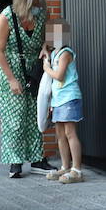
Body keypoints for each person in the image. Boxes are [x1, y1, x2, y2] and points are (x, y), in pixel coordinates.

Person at [0, 0, 52, 177]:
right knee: (15, 117)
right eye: (33, 4)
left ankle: (37, 158)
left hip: (34, 69)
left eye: (38, 3)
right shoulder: (7, 16)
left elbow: (54, 36)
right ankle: (15, 161)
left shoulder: (42, 14)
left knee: (36, 112)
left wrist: (46, 46)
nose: (37, 7)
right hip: (11, 68)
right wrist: (11, 79)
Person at [41, 19, 84, 184]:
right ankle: (65, 166)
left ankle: (77, 169)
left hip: (69, 97)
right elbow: (46, 49)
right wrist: (45, 50)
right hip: (58, 99)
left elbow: (59, 75)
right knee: (60, 135)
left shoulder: (66, 53)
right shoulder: (55, 52)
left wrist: (47, 68)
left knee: (70, 133)